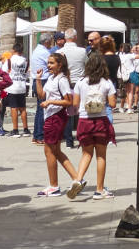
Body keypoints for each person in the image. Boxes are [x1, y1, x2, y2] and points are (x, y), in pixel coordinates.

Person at [36, 54, 87, 200]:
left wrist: (50, 102)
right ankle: (77, 179)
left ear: (60, 64)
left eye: (51, 63)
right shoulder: (52, 79)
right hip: (51, 116)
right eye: (48, 63)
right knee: (56, 151)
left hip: (56, 117)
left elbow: (68, 101)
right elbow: (41, 95)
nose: (48, 65)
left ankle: (54, 186)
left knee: (49, 151)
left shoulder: (62, 80)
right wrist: (38, 79)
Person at [75, 51, 118, 200]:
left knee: (86, 154)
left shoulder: (80, 82)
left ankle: (77, 180)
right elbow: (112, 104)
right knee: (101, 156)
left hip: (84, 121)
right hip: (100, 121)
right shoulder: (106, 83)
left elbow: (75, 104)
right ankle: (99, 190)